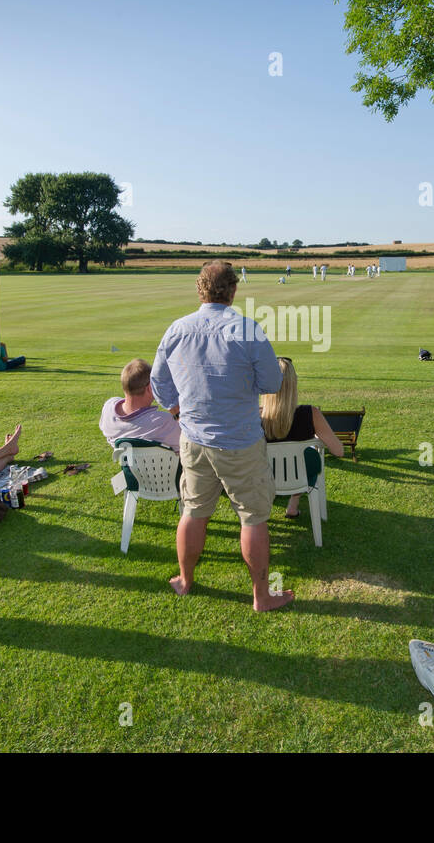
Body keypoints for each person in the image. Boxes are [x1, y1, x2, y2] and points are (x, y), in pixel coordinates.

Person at [151, 261, 291, 611]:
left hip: (194, 439)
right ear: (232, 290)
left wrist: (176, 408)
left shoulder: (177, 329)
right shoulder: (248, 330)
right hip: (240, 440)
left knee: (194, 511)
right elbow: (273, 383)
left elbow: (159, 383)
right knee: (253, 516)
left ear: (200, 290)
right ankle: (261, 596)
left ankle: (185, 580)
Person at [260, 357, 344, 517]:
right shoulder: (310, 414)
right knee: (306, 457)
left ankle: (282, 504)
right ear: (293, 383)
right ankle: (293, 504)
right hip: (300, 477)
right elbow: (338, 451)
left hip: (265, 476)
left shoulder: (255, 415)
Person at [99, 359, 181, 452]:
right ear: (150, 387)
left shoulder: (109, 408)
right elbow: (187, 440)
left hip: (129, 464)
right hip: (168, 465)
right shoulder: (163, 421)